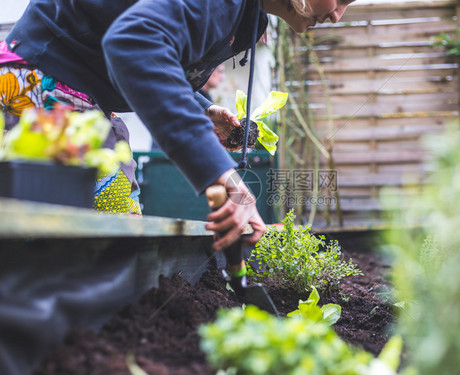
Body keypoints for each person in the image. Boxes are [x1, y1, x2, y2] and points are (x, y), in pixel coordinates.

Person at [0, 0, 354, 251]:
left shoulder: (248, 15)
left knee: (116, 236)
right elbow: (132, 44)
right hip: (38, 83)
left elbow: (154, 56)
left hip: (80, 96)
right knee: (96, 238)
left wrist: (203, 108)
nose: (338, 15)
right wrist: (224, 177)